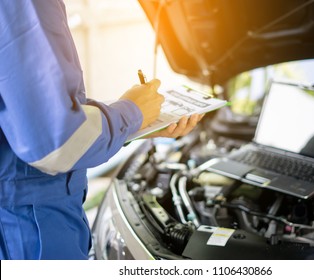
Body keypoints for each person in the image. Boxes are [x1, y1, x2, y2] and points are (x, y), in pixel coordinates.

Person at [0, 0, 202, 259]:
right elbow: (57, 141)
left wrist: (138, 124)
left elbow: (28, 114)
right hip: (30, 227)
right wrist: (131, 112)